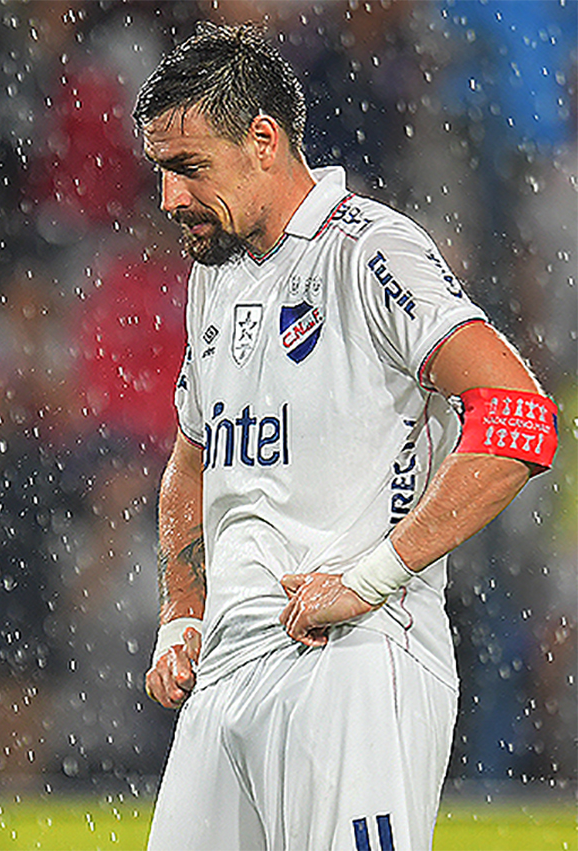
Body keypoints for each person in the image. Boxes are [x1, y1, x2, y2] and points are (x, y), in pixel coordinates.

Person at [133, 24, 557, 851]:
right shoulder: (210, 277)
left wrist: (371, 576)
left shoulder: (370, 252)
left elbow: (519, 414)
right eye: (160, 170)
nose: (168, 198)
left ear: (263, 141)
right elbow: (190, 454)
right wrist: (181, 612)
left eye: (188, 168)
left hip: (352, 660)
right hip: (226, 669)